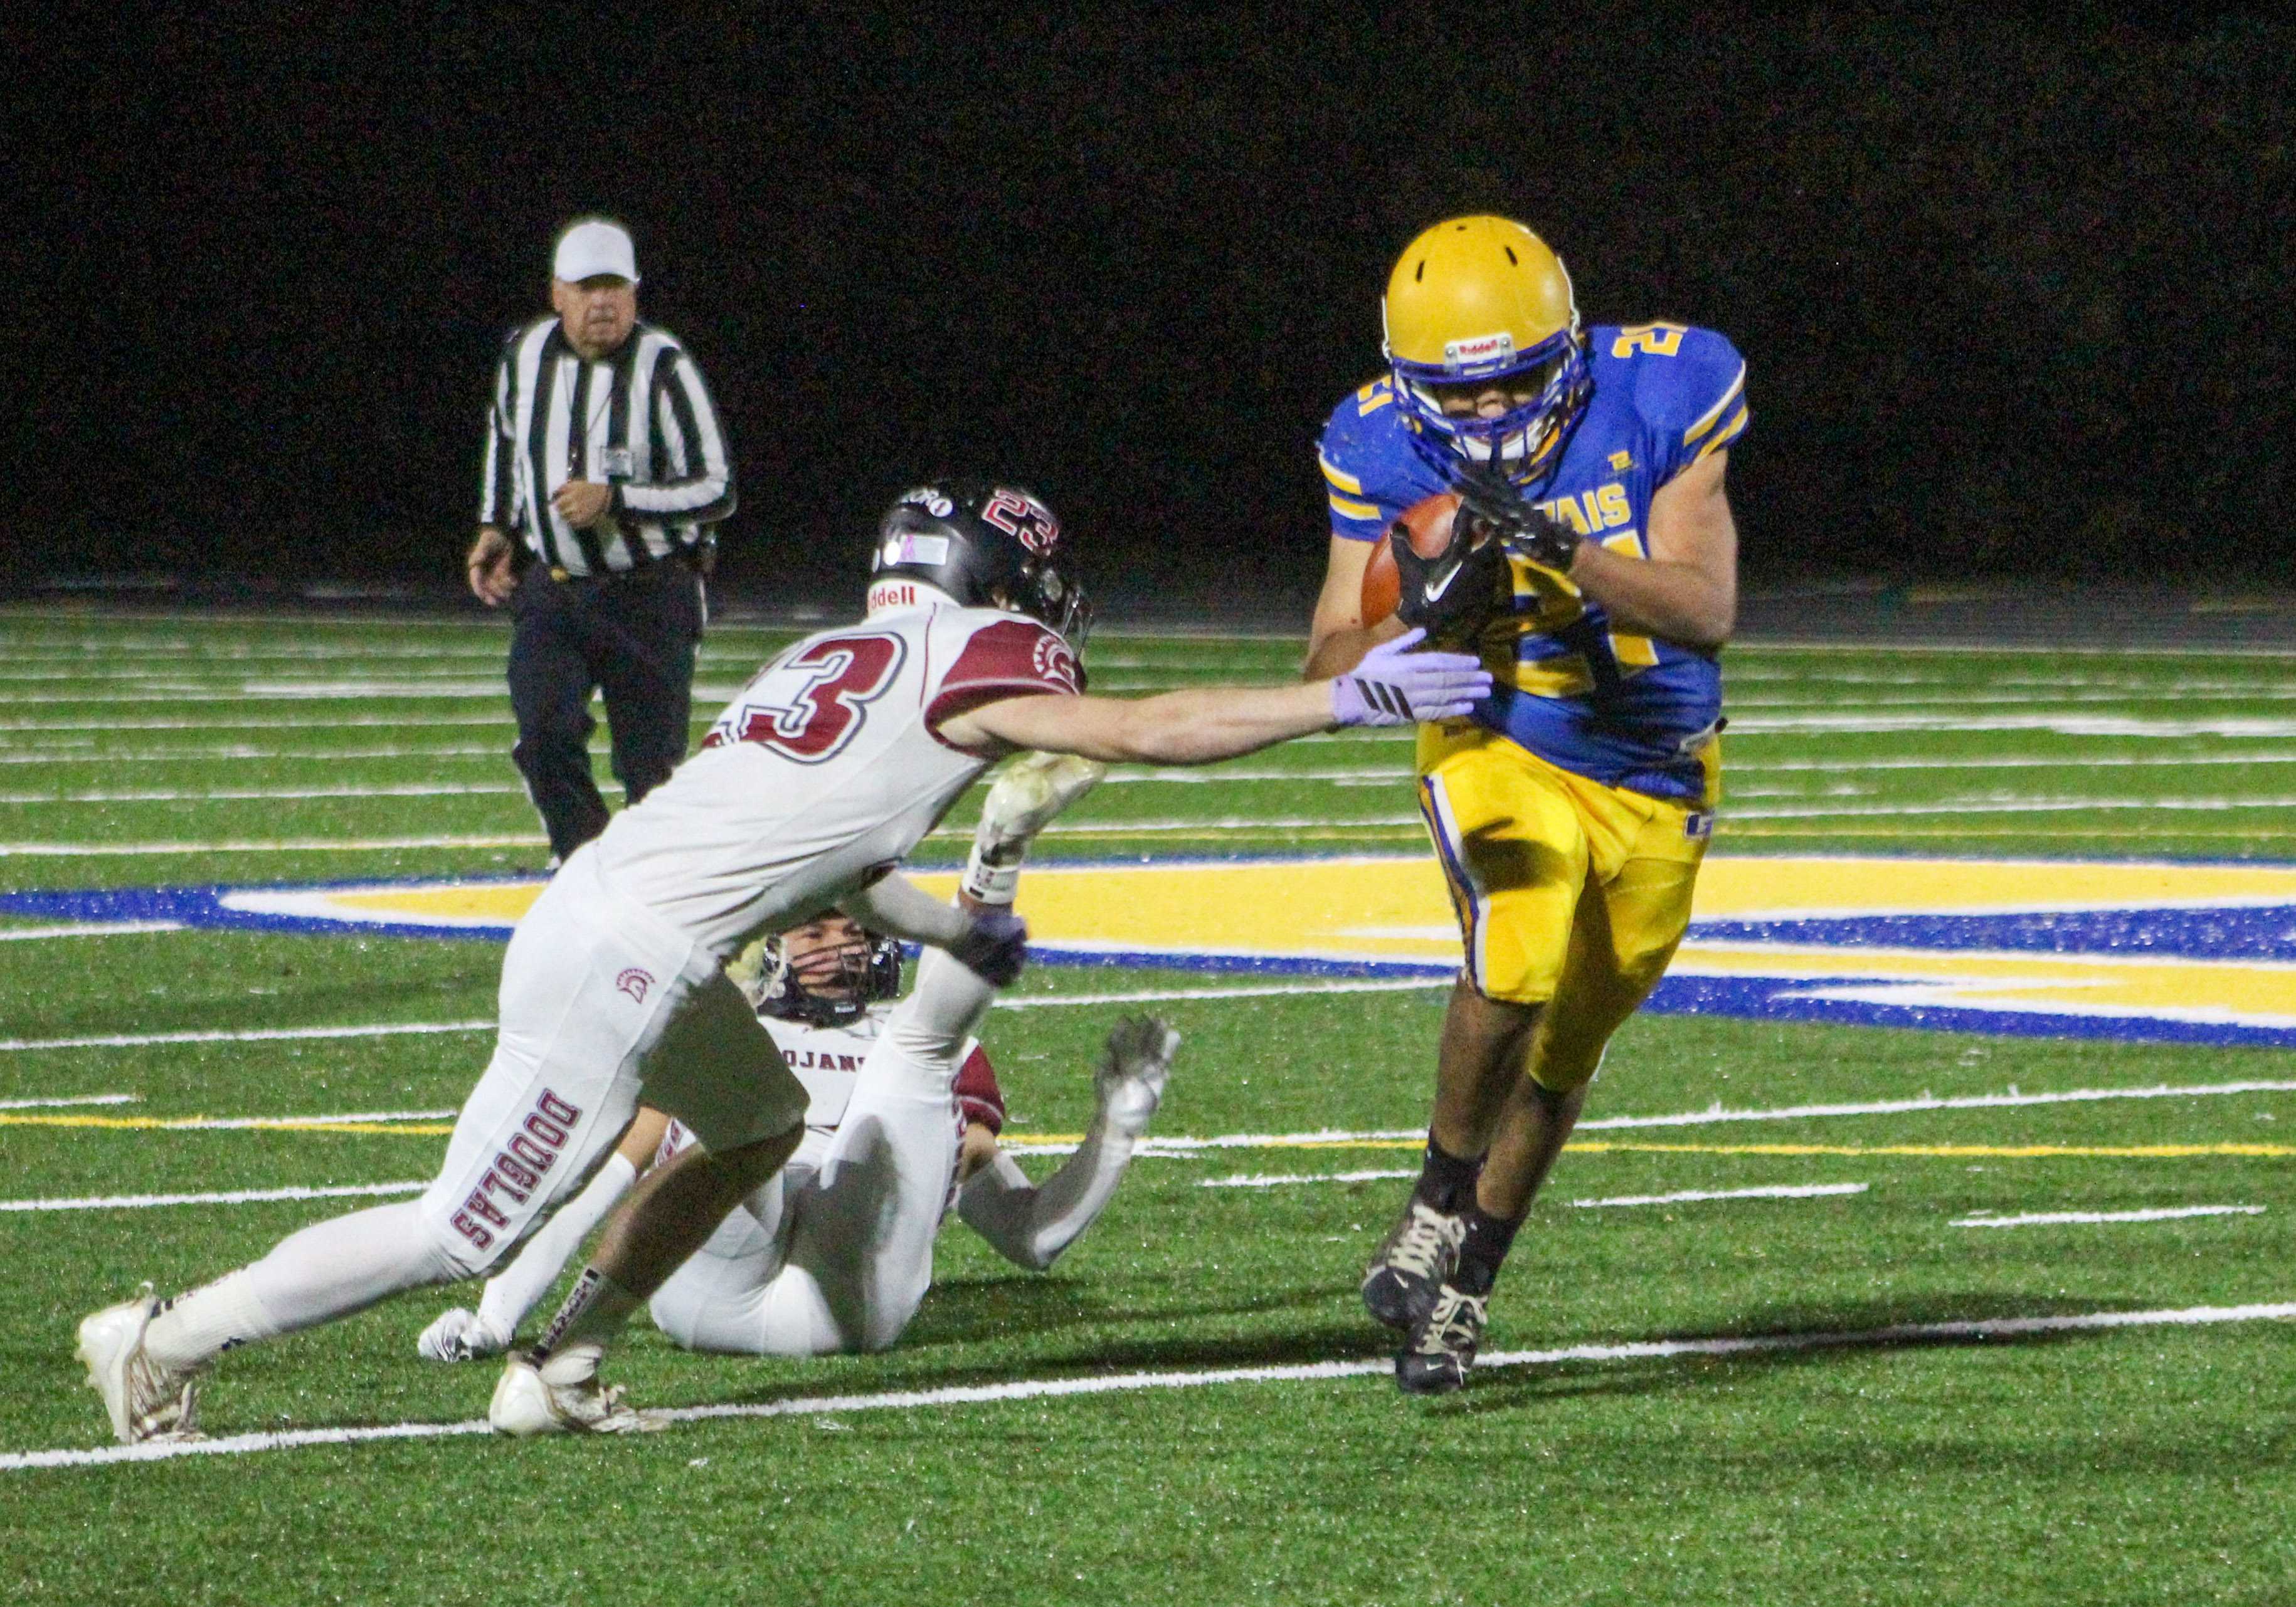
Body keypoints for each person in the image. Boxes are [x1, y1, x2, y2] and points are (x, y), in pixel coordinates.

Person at [78, 477, 1490, 1445]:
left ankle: (563, 1363)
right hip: (627, 953)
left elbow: (824, 856)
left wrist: (951, 927)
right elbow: (1141, 727)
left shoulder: (826, 656)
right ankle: (165, 1337)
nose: (1049, 617)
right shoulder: (978, 648)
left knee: (757, 1121)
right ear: (998, 585)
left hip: (627, 921)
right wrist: (1341, 697)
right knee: (462, 1226)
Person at [1305, 215, 1747, 1393]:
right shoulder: (1376, 442)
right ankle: (1437, 1200)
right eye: (1465, 394)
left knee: (1567, 1048)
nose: (1493, 416)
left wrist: (1558, 550)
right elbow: (1323, 666)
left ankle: (1470, 1284)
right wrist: (1423, 611)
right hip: (1495, 731)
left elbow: (1704, 610)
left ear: (1566, 350)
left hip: (1657, 763)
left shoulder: (1665, 387)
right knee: (1517, 947)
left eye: (1516, 385)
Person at [416, 849, 1174, 1365]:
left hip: (842, 1301)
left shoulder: (910, 1050)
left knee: (901, 1069)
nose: (839, 949)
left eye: (857, 929)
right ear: (768, 940)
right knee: (755, 1118)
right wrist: (497, 1314)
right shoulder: (738, 1030)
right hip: (708, 1286)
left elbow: (1032, 1235)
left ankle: (996, 863)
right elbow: (607, 1186)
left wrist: (1116, 1126)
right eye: (814, 927)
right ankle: (998, 855)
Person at [466, 216, 735, 865]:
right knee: (543, 734)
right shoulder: (523, 353)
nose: (603, 303)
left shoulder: (664, 366)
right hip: (555, 591)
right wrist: (496, 526)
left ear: (636, 294)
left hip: (650, 596)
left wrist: (616, 500)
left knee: (652, 776)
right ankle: (588, 869)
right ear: (557, 293)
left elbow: (718, 488)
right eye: (588, 288)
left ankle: (652, 901)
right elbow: (508, 443)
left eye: (616, 286)